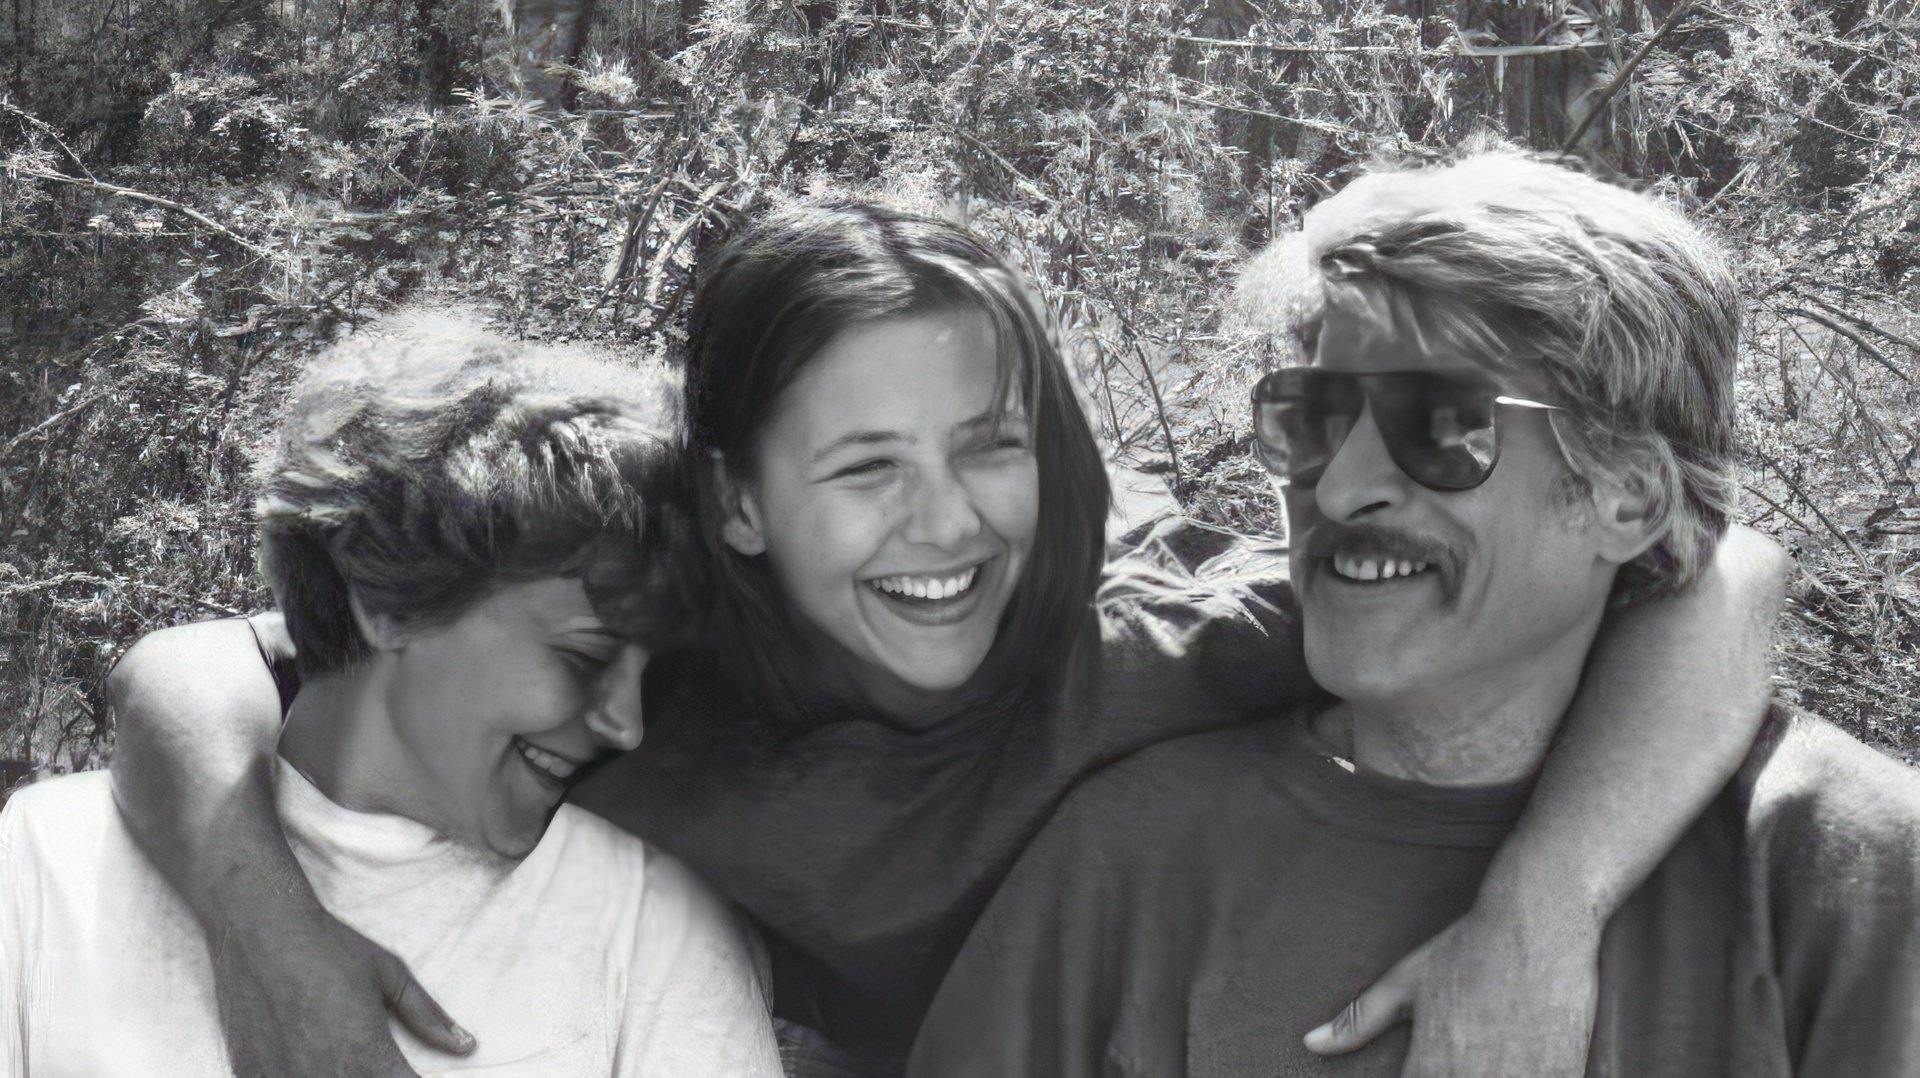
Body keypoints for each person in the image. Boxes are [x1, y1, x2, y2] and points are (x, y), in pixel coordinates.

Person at [105, 203, 1785, 1077]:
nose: (949, 526)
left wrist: (1541, 907)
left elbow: (1720, 573)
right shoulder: (647, 680)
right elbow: (197, 665)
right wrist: (276, 944)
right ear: (739, 501)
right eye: (861, 467)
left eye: (991, 443)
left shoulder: (1176, 641)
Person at [908, 145, 1918, 1077]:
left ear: (1629, 497)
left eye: (1437, 429)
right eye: (1313, 418)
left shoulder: (1845, 872)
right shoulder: (1128, 863)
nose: (1341, 492)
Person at [0, 313, 783, 1076]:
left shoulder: (654, 923)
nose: (629, 725)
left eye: (653, 670)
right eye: (587, 655)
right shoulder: (46, 858)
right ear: (389, 600)